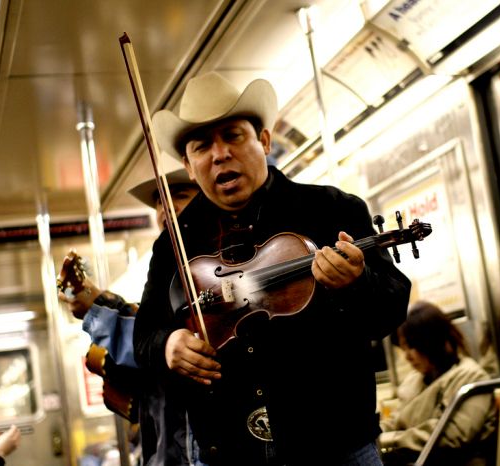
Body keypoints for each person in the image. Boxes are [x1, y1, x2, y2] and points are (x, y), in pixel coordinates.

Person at [134, 71, 415, 466]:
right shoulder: (175, 243)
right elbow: (144, 336)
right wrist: (167, 345)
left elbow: (390, 309)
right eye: (202, 146)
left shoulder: (331, 210)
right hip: (226, 453)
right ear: (188, 163)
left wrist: (356, 283)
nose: (219, 155)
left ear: (263, 141)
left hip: (336, 446)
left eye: (233, 136)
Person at [59, 169, 202, 466]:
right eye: (159, 201)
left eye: (180, 195)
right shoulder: (162, 277)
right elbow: (146, 354)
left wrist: (100, 309)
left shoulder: (213, 268)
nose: (167, 207)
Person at [377, 301, 495, 466]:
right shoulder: (415, 379)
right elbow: (397, 420)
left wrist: (390, 440)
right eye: (404, 348)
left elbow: (452, 435)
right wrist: (373, 436)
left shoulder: (472, 378)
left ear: (432, 342)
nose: (407, 356)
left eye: (412, 346)